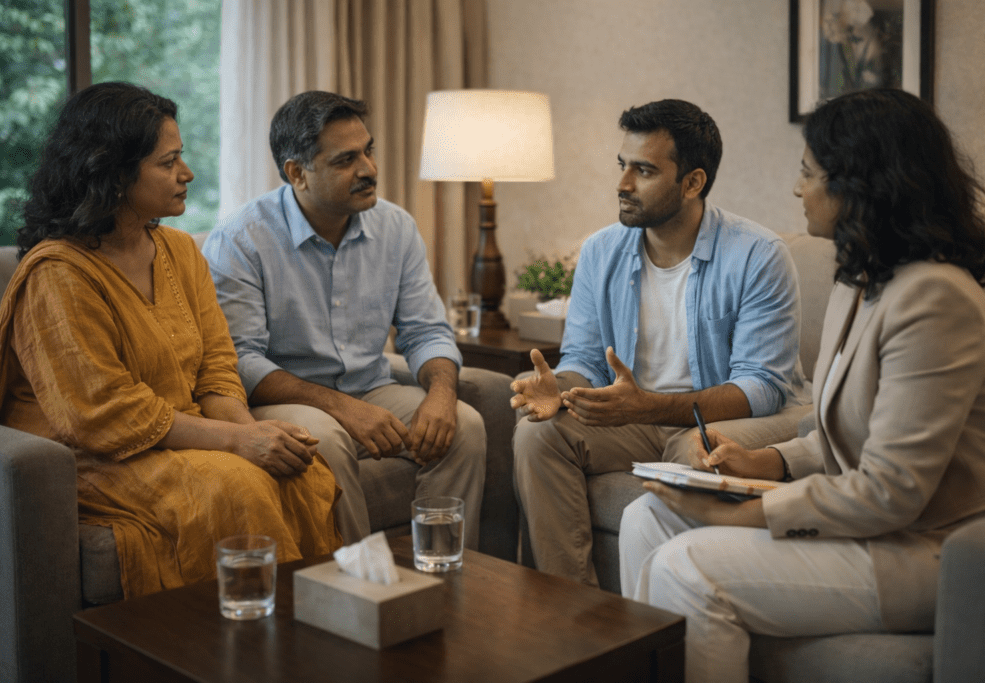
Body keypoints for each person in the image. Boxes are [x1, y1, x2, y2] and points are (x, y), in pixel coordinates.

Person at [618, 88, 985, 683]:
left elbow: (891, 490)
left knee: (686, 567)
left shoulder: (936, 299)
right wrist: (763, 461)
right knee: (646, 517)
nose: (795, 188)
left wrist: (740, 517)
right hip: (872, 528)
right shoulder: (858, 280)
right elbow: (840, 431)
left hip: (926, 550)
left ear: (860, 185)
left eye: (808, 172)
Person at [0, 82, 343, 598]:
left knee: (299, 470)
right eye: (168, 162)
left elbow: (218, 364)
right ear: (114, 174)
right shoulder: (57, 272)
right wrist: (236, 445)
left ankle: (322, 628)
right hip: (92, 456)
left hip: (179, 432)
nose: (186, 174)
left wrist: (249, 435)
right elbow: (102, 413)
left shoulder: (180, 250)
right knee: (238, 485)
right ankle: (253, 649)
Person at [511, 99, 808, 585]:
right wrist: (561, 388)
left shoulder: (758, 255)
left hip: (724, 417)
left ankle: (668, 621)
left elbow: (761, 387)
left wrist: (644, 406)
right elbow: (585, 358)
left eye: (644, 170)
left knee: (698, 449)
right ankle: (570, 610)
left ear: (693, 182)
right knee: (537, 434)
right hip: (637, 415)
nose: (623, 184)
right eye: (623, 165)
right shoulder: (600, 250)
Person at [202, 91, 485, 547]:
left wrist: (440, 393)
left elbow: (426, 329)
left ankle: (445, 574)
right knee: (323, 440)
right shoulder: (241, 239)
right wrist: (342, 408)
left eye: (368, 151)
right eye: (346, 160)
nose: (369, 169)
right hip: (284, 398)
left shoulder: (396, 228)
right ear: (297, 173)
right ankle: (357, 588)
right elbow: (241, 360)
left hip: (371, 387)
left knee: (464, 425)